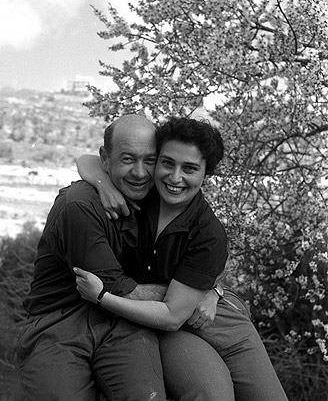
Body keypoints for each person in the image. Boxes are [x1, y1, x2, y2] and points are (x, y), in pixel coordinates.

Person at [74, 117, 289, 401]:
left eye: (189, 168)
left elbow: (173, 315)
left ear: (206, 173)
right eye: (167, 163)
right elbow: (87, 160)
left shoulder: (208, 233)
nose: (175, 178)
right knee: (212, 394)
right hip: (168, 326)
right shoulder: (143, 191)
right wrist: (105, 186)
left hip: (215, 324)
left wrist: (103, 297)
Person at [15, 114, 168, 401]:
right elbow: (116, 289)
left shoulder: (159, 197)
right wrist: (186, 294)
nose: (140, 172)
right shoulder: (80, 205)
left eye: (149, 160)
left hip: (125, 321)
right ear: (105, 159)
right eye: (128, 159)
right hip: (60, 321)